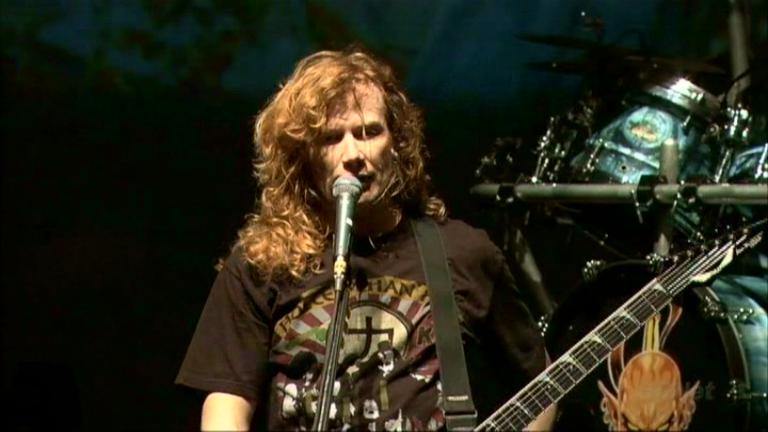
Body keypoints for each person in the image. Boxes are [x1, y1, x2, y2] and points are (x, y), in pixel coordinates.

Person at [175, 48, 556, 431]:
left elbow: (543, 388)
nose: (353, 154)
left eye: (369, 132)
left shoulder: (462, 253)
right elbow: (226, 408)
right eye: (331, 138)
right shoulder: (263, 263)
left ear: (397, 143)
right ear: (303, 157)